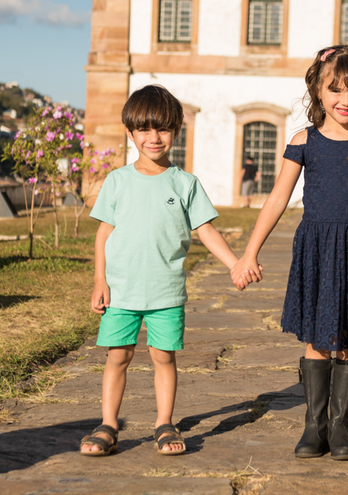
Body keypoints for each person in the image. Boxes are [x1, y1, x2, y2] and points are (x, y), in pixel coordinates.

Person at [231, 46, 348, 461]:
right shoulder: (304, 141)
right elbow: (276, 199)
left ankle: (341, 429)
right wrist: (249, 252)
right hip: (317, 251)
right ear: (317, 90)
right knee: (318, 338)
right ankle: (315, 426)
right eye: (336, 90)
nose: (346, 100)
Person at [81, 84, 242, 457]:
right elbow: (103, 234)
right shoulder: (118, 182)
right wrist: (99, 281)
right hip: (120, 292)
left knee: (162, 356)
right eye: (144, 129)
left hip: (165, 292)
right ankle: (108, 424)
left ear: (176, 131)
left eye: (163, 129)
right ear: (130, 132)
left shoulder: (185, 184)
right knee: (117, 356)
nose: (154, 138)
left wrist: (235, 264)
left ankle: (164, 423)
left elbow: (205, 230)